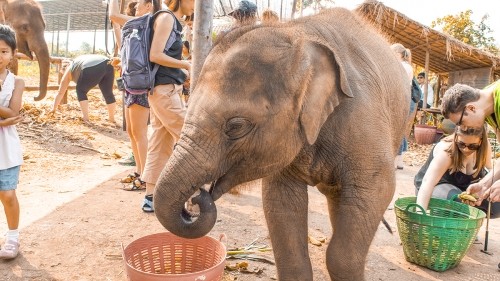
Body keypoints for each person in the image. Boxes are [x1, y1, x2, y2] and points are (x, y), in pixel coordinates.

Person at [140, 0, 194, 212]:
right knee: (191, 141)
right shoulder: (166, 18)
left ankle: (151, 197)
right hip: (164, 92)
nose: (197, 6)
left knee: (160, 143)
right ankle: (190, 192)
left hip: (166, 90)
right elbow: (155, 54)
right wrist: (186, 64)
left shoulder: (174, 21)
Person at [109, 0, 159, 187]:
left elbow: (114, 15)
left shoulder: (148, 21)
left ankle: (146, 177)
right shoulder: (138, 28)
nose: (136, 6)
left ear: (149, 6)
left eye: (140, 3)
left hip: (139, 84)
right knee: (132, 131)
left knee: (139, 132)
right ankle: (140, 171)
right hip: (131, 83)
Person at [414, 125, 499, 217]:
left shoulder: (484, 149)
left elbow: (490, 172)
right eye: (461, 144)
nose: (466, 149)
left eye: (472, 146)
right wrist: (420, 214)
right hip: (437, 189)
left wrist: (488, 188)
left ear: (481, 142)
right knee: (459, 204)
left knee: (496, 205)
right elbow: (427, 184)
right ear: (456, 138)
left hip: (465, 190)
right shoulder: (447, 152)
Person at [441, 80, 500, 205]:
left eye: (461, 123)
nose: (463, 129)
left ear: (471, 108)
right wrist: (484, 184)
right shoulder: (488, 111)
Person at [0, 24, 25, 259]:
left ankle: (13, 237)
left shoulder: (17, 82)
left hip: (6, 149)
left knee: (7, 195)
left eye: (4, 51)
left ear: (13, 53)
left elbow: (14, 112)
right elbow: (6, 115)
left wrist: (7, 117)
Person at [51, 54, 117, 124]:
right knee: (108, 93)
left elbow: (60, 92)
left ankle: (86, 119)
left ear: (63, 70)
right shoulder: (77, 63)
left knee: (80, 90)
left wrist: (53, 109)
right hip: (108, 63)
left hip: (92, 66)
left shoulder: (68, 69)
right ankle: (111, 119)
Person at [390, 43, 415, 170]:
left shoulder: (402, 67)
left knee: (397, 130)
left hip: (401, 101)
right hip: (404, 100)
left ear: (398, 54)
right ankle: (399, 161)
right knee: (401, 130)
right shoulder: (407, 67)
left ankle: (395, 161)